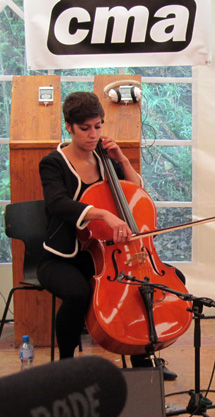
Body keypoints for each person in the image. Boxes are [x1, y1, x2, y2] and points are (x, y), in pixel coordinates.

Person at [37, 91, 178, 380]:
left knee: (145, 286)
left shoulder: (104, 159)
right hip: (63, 258)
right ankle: (66, 365)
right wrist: (102, 214)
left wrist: (122, 158)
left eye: (98, 126)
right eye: (85, 128)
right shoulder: (53, 163)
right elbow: (57, 203)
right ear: (70, 127)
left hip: (107, 256)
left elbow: (135, 192)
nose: (93, 134)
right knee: (78, 294)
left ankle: (142, 359)